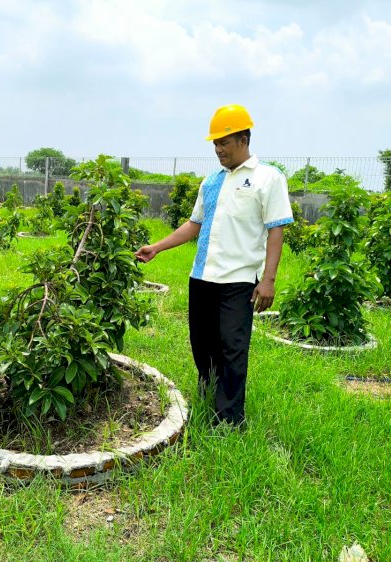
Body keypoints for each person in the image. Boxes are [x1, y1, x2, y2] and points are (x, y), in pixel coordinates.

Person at [135, 104, 293, 427]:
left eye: (224, 142)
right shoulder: (210, 182)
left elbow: (276, 230)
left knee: (232, 350)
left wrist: (269, 279)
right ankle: (208, 396)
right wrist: (157, 248)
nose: (218, 149)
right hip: (202, 277)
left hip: (238, 280)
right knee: (203, 346)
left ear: (244, 139)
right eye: (215, 144)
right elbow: (193, 225)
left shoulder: (268, 178)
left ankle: (229, 420)